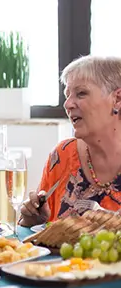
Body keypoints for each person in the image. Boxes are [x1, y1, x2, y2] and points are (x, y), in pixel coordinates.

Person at [21, 55, 121, 226]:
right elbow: (38, 239)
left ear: (117, 99)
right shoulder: (63, 155)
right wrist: (33, 220)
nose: (68, 104)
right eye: (67, 96)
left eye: (81, 93)